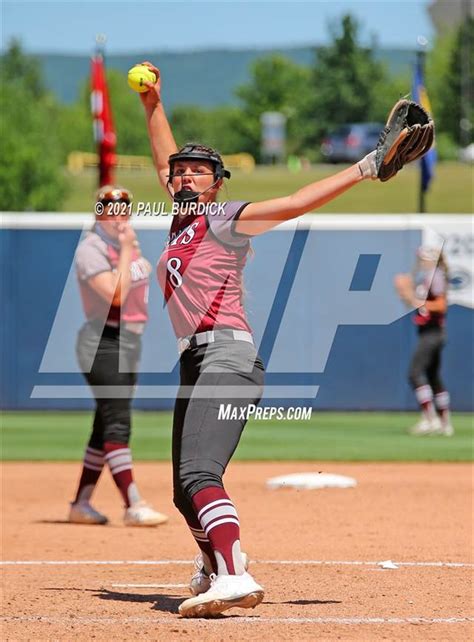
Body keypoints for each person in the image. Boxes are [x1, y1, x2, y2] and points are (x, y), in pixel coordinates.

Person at [138, 61, 410, 618]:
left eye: (199, 172)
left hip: (225, 355)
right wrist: (152, 106)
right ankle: (214, 566)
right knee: (180, 491)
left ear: (217, 185)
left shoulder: (222, 219)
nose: (186, 176)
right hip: (197, 361)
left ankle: (235, 574)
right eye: (180, 172)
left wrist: (363, 167)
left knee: (198, 476)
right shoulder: (181, 224)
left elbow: (292, 204)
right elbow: (166, 153)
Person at [69, 185, 168, 526]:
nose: (118, 216)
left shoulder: (126, 246)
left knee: (104, 425)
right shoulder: (91, 249)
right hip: (102, 342)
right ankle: (133, 504)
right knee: (118, 421)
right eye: (110, 210)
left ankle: (80, 503)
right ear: (98, 214)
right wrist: (128, 248)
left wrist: (130, 249)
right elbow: (115, 294)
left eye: (124, 210)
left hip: (128, 342)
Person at [394, 246, 453, 436]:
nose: (420, 262)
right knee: (433, 377)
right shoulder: (428, 278)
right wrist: (405, 292)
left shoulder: (435, 276)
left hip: (432, 333)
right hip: (431, 332)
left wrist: (412, 296)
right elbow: (416, 304)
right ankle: (445, 423)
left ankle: (431, 419)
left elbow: (441, 305)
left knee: (415, 373)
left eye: (422, 259)